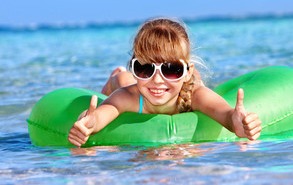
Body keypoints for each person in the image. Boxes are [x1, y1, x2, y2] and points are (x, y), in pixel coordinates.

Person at [68, 18, 262, 147]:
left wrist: (237, 123)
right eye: (144, 68)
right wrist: (89, 122)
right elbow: (102, 114)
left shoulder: (195, 95)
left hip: (186, 87)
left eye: (171, 69)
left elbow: (225, 114)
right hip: (133, 87)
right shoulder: (129, 96)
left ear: (186, 72)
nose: (157, 79)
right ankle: (119, 72)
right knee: (121, 80)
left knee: (196, 83)